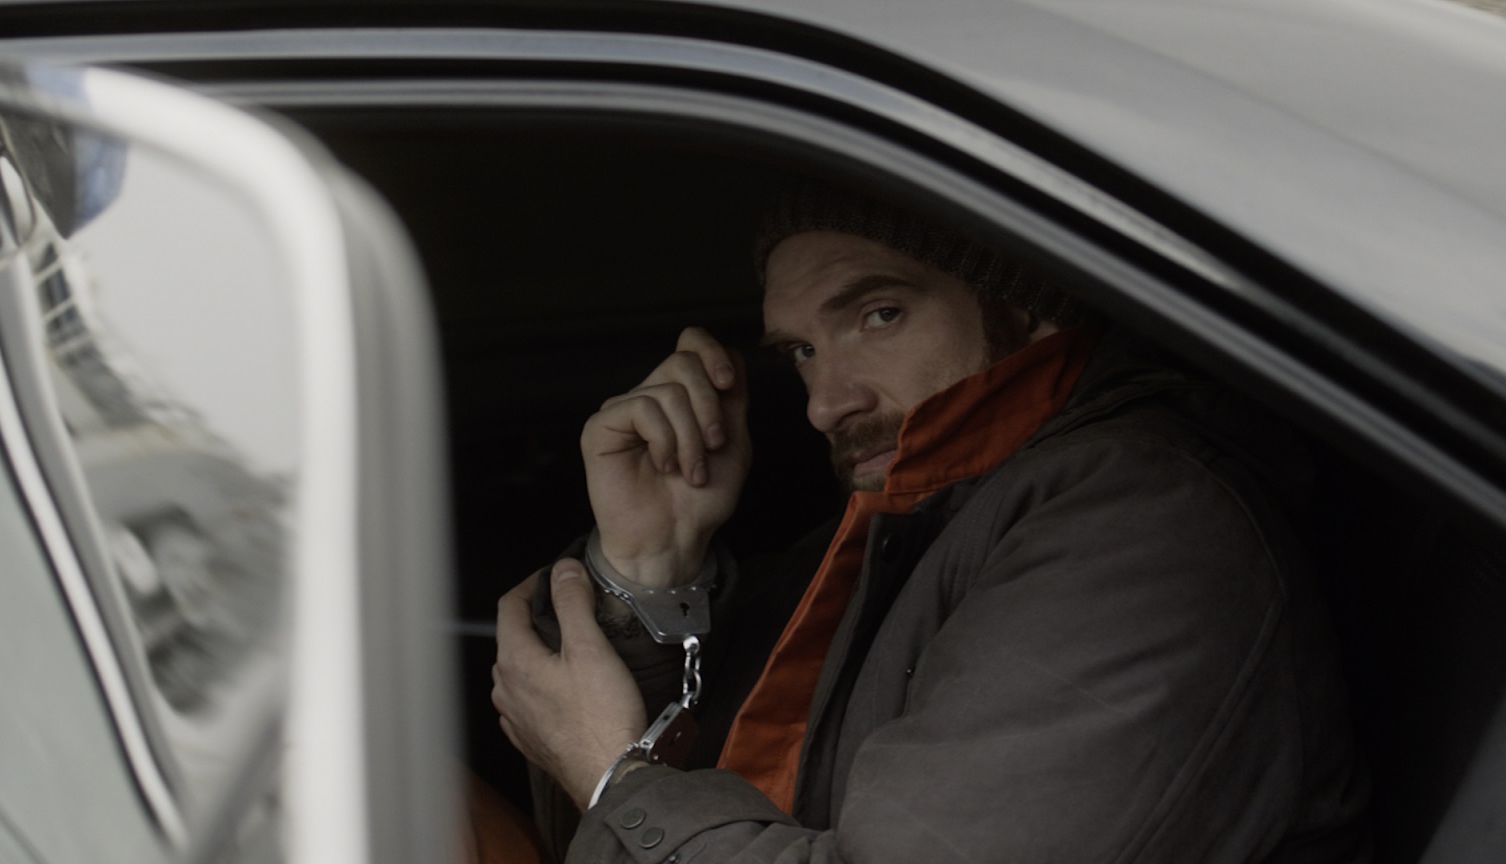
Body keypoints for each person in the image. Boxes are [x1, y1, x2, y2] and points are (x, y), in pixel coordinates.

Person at [490, 183, 1370, 863]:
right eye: (803, 351)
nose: (826, 404)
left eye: (879, 316)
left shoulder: (1142, 525)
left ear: (1029, 302)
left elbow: (624, 803)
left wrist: (614, 775)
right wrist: (652, 566)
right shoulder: (904, 528)